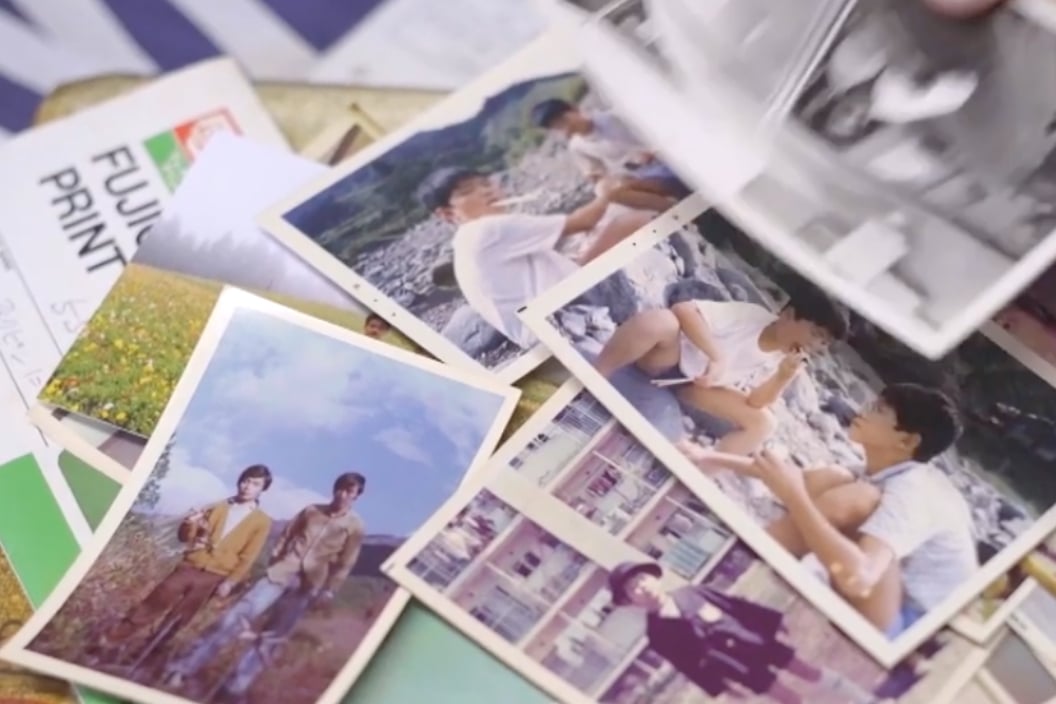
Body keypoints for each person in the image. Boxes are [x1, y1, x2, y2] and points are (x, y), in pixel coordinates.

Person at [750, 383, 977, 637]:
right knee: (831, 478)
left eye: (877, 410)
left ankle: (752, 561)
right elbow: (790, 477)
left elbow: (861, 578)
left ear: (907, 440)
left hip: (907, 632)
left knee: (857, 497)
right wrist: (716, 458)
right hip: (887, 595)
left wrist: (795, 497)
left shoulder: (912, 492)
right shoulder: (887, 471)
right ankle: (754, 554)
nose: (862, 410)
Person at [163, 472, 366, 697]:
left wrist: (329, 590)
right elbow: (287, 535)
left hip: (307, 586)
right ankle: (183, 668)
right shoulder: (312, 511)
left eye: (350, 491)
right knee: (234, 619)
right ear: (334, 489)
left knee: (272, 637)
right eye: (341, 489)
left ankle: (233, 688)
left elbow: (346, 563)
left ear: (356, 496)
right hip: (279, 575)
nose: (343, 494)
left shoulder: (355, 526)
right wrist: (277, 558)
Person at [592, 286, 849, 456]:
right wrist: (716, 356)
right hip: (670, 358)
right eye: (815, 334)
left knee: (764, 423)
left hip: (695, 386)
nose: (816, 345)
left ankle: (702, 468)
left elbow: (756, 402)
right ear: (789, 315)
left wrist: (783, 376)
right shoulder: (751, 317)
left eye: (824, 343)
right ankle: (597, 374)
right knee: (660, 321)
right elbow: (684, 309)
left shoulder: (786, 359)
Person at [417, 167, 653, 349]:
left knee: (612, 228)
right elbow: (583, 222)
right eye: (468, 191)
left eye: (485, 184)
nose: (486, 191)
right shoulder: (487, 228)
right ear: (447, 214)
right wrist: (606, 193)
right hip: (565, 319)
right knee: (631, 221)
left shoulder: (466, 239)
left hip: (543, 326)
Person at [608, 561, 878, 704]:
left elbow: (736, 606)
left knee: (807, 671)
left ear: (654, 578)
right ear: (630, 601)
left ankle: (864, 699)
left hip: (753, 641)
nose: (642, 588)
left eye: (642, 579)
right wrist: (719, 687)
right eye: (633, 589)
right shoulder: (657, 634)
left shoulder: (692, 592)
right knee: (786, 698)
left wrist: (773, 622)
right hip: (734, 665)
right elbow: (688, 665)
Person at [90, 465, 274, 661]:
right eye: (246, 481)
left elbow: (248, 556)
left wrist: (230, 582)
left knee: (180, 617)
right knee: (154, 602)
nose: (247, 487)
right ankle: (109, 640)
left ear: (262, 489)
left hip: (215, 576)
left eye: (255, 484)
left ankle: (145, 656)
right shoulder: (218, 507)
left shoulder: (261, 521)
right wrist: (190, 523)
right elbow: (186, 537)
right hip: (190, 565)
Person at [531, 98, 687, 212]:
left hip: (671, 162)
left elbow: (666, 132)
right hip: (647, 178)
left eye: (562, 120)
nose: (564, 126)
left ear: (573, 109)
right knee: (603, 190)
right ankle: (675, 210)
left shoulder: (612, 117)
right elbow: (597, 176)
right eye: (556, 126)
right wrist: (617, 173)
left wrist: (653, 151)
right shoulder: (578, 147)